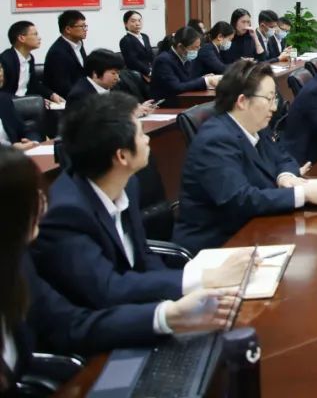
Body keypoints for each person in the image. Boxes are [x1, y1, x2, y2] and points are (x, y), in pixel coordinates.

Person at [0, 148, 239, 393]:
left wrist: (169, 315)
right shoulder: (61, 214)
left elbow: (71, 324)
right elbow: (106, 291)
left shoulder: (16, 263)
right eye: (32, 195)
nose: (44, 202)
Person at [32, 93, 250, 308]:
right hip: (102, 320)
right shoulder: (66, 213)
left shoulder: (127, 184)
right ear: (122, 156)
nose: (147, 139)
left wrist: (177, 296)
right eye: (140, 134)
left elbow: (143, 256)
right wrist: (201, 280)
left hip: (138, 305)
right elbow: (108, 289)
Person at [173, 62, 317, 252]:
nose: (274, 107)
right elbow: (240, 199)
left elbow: (284, 157)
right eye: (269, 99)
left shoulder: (256, 126)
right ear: (242, 101)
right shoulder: (215, 140)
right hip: (218, 245)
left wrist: (286, 176)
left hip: (255, 229)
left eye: (275, 98)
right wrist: (302, 194)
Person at [65, 49, 150, 113]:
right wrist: (130, 114)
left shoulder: (113, 86)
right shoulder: (79, 96)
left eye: (118, 73)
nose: (118, 78)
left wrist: (137, 108)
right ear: (95, 73)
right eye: (113, 73)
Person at [149, 27, 221, 102]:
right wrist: (205, 81)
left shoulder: (185, 58)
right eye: (195, 48)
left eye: (199, 47)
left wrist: (203, 78)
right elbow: (176, 87)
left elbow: (187, 82)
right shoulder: (163, 60)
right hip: (165, 103)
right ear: (180, 47)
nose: (198, 50)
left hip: (182, 99)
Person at [0, 21, 62, 103]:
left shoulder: (30, 58)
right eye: (35, 34)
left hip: (25, 102)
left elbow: (33, 84)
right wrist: (30, 101)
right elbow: (4, 91)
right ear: (21, 38)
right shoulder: (6, 60)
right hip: (9, 104)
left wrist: (51, 95)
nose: (39, 38)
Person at [44, 10, 88, 99]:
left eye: (85, 26)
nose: (85, 29)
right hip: (66, 98)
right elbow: (63, 86)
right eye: (82, 26)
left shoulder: (79, 44)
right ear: (68, 29)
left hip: (81, 93)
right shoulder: (58, 52)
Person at [0, 66, 42, 151]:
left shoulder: (3, 100)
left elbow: (25, 130)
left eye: (0, 68)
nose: (1, 73)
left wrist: (33, 142)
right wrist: (11, 149)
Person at [118, 11, 153, 80]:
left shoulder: (145, 37)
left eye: (139, 20)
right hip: (138, 74)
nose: (137, 23)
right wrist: (149, 72)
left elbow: (151, 55)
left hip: (151, 70)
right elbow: (133, 61)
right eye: (133, 21)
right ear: (125, 24)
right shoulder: (125, 40)